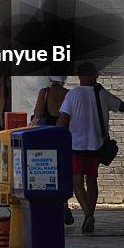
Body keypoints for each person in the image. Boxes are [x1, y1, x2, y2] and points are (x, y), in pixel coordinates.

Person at [57, 62, 124, 234]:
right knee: (92, 180)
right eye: (95, 75)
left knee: (77, 183)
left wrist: (54, 135)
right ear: (91, 76)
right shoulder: (101, 94)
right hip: (97, 146)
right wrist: (101, 90)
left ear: (80, 77)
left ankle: (88, 214)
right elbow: (122, 107)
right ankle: (90, 214)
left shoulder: (73, 95)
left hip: (77, 145)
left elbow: (63, 120)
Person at [35, 75, 73, 224]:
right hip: (64, 136)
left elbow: (38, 113)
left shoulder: (44, 92)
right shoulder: (68, 93)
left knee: (48, 170)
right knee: (63, 170)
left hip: (47, 137)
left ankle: (50, 204)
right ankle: (64, 204)